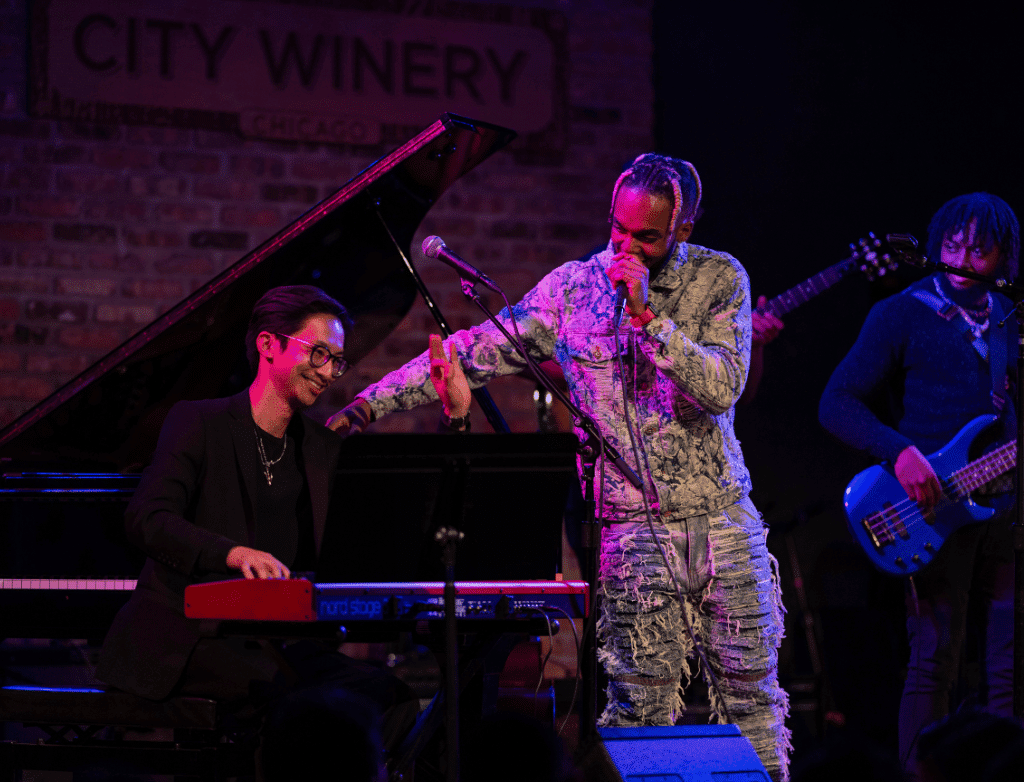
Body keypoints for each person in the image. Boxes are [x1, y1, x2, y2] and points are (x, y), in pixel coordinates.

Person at [331, 154, 792, 781]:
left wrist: (648, 321)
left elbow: (720, 387)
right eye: (617, 228)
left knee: (752, 707)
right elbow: (471, 352)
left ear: (681, 230)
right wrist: (366, 405)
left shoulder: (719, 278)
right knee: (639, 712)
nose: (624, 247)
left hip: (723, 523)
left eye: (646, 236)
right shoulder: (574, 288)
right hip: (631, 532)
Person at [96, 285, 416, 749]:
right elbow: (147, 517)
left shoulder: (321, 448)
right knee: (300, 700)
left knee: (394, 696)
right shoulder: (198, 422)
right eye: (319, 352)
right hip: (193, 641)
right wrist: (231, 552)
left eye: (337, 360)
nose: (329, 372)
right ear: (269, 345)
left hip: (280, 642)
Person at [818, 192, 1020, 779]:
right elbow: (836, 403)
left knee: (1008, 663)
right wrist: (899, 452)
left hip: (1004, 510)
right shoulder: (900, 312)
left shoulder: (1010, 319)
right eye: (953, 246)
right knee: (936, 657)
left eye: (980, 250)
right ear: (936, 246)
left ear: (1003, 257)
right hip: (928, 509)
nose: (963, 259)